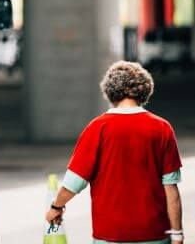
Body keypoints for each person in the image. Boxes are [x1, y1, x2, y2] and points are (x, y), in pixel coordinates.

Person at [45, 61, 183, 244]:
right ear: (145, 89)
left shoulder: (97, 128)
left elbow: (75, 180)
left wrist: (56, 206)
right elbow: (171, 188)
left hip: (110, 234)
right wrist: (177, 234)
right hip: (154, 233)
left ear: (110, 90)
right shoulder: (162, 128)